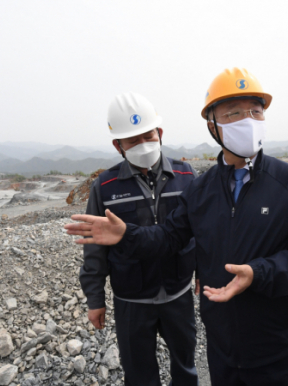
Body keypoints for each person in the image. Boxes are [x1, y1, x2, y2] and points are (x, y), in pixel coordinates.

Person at [65, 68, 288, 386]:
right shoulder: (201, 190)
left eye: (255, 111)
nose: (247, 120)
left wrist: (259, 272)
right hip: (221, 342)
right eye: (233, 114)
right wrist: (127, 235)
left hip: (274, 342)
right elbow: (170, 236)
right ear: (212, 125)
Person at [79, 92, 199, 386]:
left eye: (147, 135)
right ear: (117, 145)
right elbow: (94, 249)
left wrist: (205, 272)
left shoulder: (187, 176)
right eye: (132, 140)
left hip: (178, 293)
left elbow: (202, 233)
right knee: (139, 374)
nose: (143, 144)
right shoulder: (104, 187)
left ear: (160, 133)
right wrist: (95, 299)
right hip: (131, 299)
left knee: (185, 366)